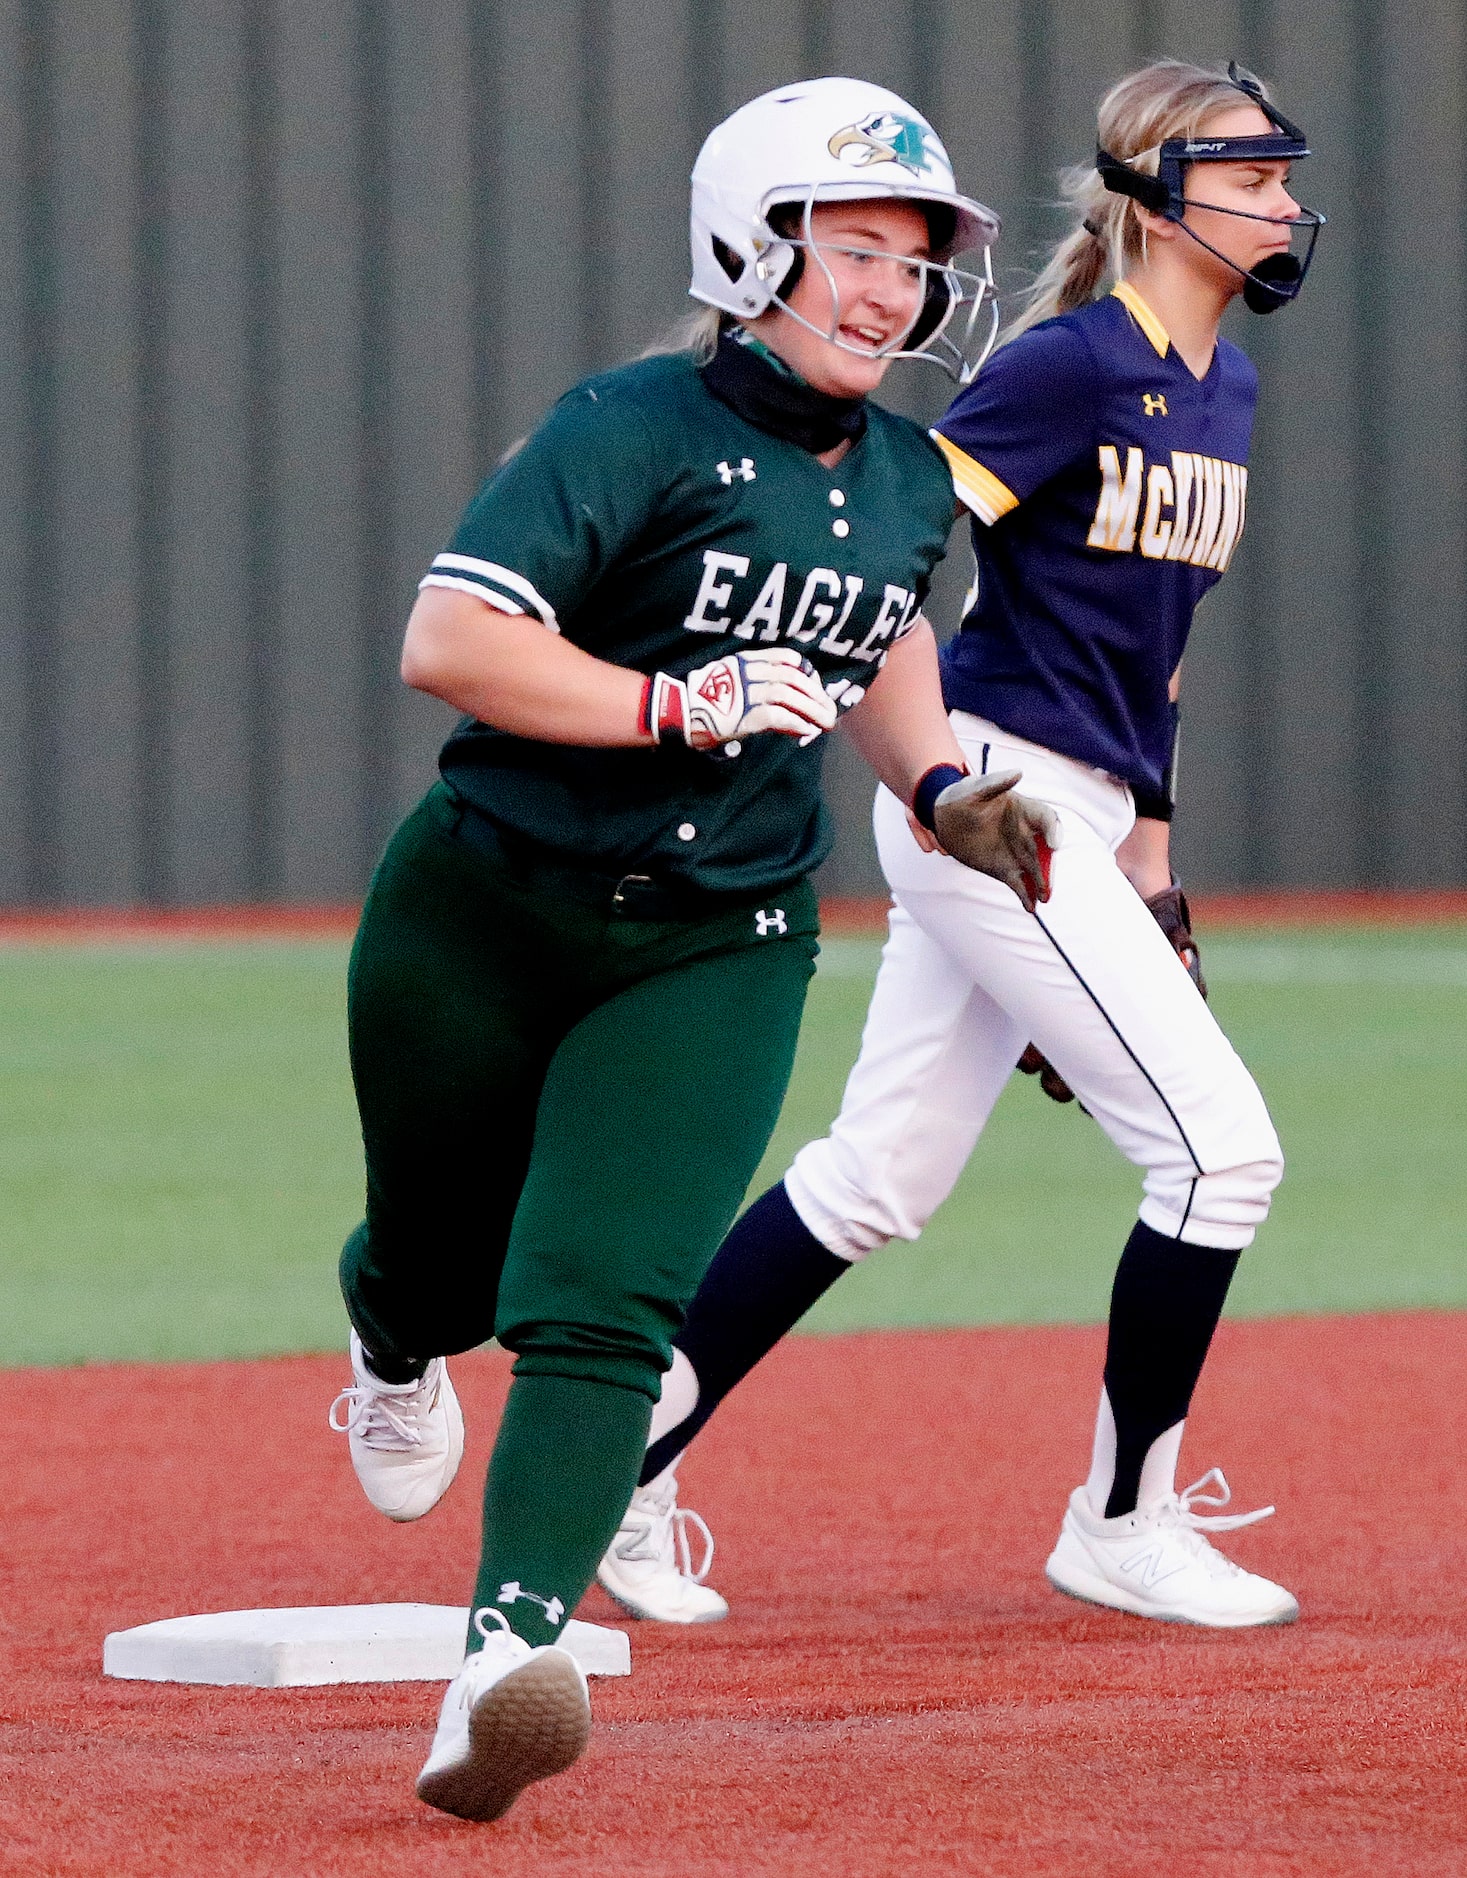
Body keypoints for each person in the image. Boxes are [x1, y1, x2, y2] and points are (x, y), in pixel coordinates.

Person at [326, 75, 1052, 1823]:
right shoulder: (628, 424)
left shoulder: (910, 474)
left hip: (720, 937)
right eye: (855, 248)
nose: (891, 289)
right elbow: (450, 641)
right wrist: (675, 698)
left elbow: (875, 644)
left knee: (603, 1298)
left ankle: (503, 1660)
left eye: (915, 258)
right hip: (487, 902)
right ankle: (390, 1338)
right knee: (442, 1263)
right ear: (754, 244)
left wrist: (944, 782)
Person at [612, 58, 1326, 1633]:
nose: (1283, 200)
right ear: (1155, 192)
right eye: (1251, 174)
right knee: (1221, 1154)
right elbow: (884, 533)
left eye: (1284, 175)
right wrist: (924, 769)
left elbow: (1161, 646)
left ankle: (620, 1450)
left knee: (878, 1174)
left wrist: (1154, 864)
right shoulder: (1072, 366)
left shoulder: (1227, 387)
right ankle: (1122, 1518)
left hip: (1080, 805)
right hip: (993, 794)